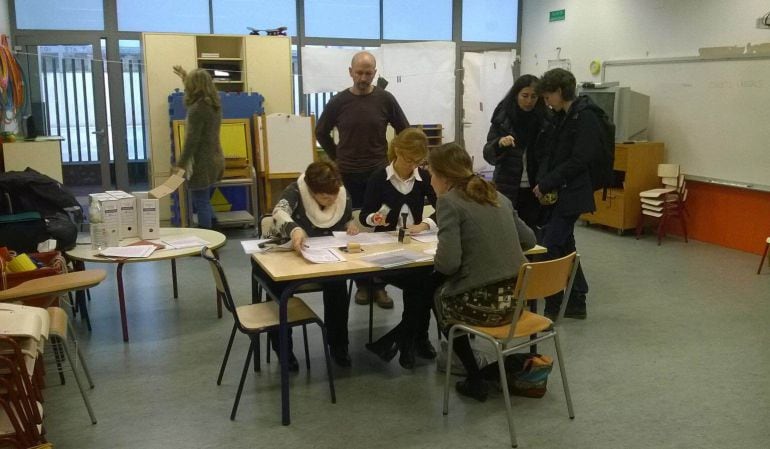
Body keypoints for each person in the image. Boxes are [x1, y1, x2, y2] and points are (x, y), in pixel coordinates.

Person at [429, 143, 537, 402]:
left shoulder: (449, 202)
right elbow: (530, 240)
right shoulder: (498, 196)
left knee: (438, 297)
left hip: (486, 309)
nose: (430, 179)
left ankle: (474, 375)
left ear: (443, 177)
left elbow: (448, 264)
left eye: (431, 173)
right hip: (517, 303)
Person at [315, 51, 410, 309]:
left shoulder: (385, 99)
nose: (363, 77)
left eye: (368, 73)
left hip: (379, 174)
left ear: (374, 73)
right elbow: (321, 131)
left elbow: (405, 129)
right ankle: (361, 284)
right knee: (353, 229)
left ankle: (379, 285)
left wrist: (395, 159)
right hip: (347, 176)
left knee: (380, 228)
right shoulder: (338, 102)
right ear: (350, 71)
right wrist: (336, 157)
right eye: (359, 72)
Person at [359, 128, 438, 369]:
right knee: (423, 285)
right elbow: (364, 215)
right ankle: (416, 339)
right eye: (407, 159)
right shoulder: (378, 178)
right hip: (387, 252)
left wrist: (425, 223)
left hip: (417, 248)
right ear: (397, 151)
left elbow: (443, 208)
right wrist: (374, 219)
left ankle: (408, 339)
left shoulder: (423, 178)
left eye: (417, 161)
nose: (411, 165)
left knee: (424, 280)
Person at [268, 160, 360, 368]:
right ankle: (284, 351)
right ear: (311, 190)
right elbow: (279, 213)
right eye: (324, 196)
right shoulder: (295, 191)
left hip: (326, 258)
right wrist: (295, 229)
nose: (330, 200)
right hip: (292, 256)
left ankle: (338, 345)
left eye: (333, 195)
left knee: (338, 286)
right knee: (278, 290)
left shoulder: (341, 194)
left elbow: (346, 218)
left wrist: (350, 224)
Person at [533, 68, 598, 320]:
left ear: (560, 91)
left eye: (548, 96)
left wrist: (547, 182)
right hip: (561, 192)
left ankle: (553, 303)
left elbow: (579, 160)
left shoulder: (585, 117)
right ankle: (577, 299)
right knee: (566, 246)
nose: (546, 101)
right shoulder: (564, 116)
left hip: (572, 194)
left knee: (549, 247)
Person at [483, 74, 549, 229]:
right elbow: (488, 153)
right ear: (516, 95)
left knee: (531, 233)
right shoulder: (503, 117)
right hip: (507, 185)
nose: (529, 101)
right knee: (505, 230)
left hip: (535, 188)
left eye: (534, 97)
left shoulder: (545, 119)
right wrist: (499, 143)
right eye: (524, 96)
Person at [173, 66, 225, 230]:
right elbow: (197, 83)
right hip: (215, 159)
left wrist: (180, 165)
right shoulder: (213, 105)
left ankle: (208, 240)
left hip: (201, 163)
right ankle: (215, 225)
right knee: (205, 198)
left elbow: (191, 140)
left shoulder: (197, 109)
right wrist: (184, 75)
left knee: (201, 201)